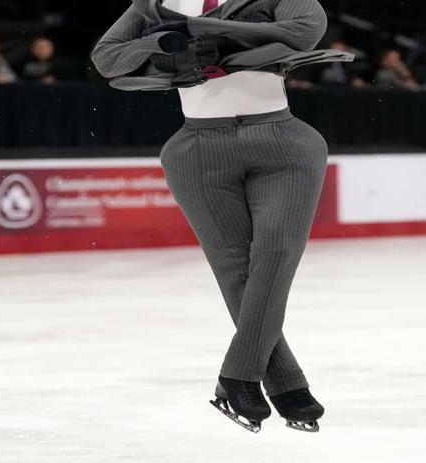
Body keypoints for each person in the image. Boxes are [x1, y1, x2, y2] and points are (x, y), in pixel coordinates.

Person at [92, 0, 356, 433]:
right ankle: (286, 383)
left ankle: (237, 375)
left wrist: (199, 29)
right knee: (235, 269)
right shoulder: (154, 5)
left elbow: (305, 31)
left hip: (282, 143)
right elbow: (106, 59)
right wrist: (160, 38)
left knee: (276, 253)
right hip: (198, 149)